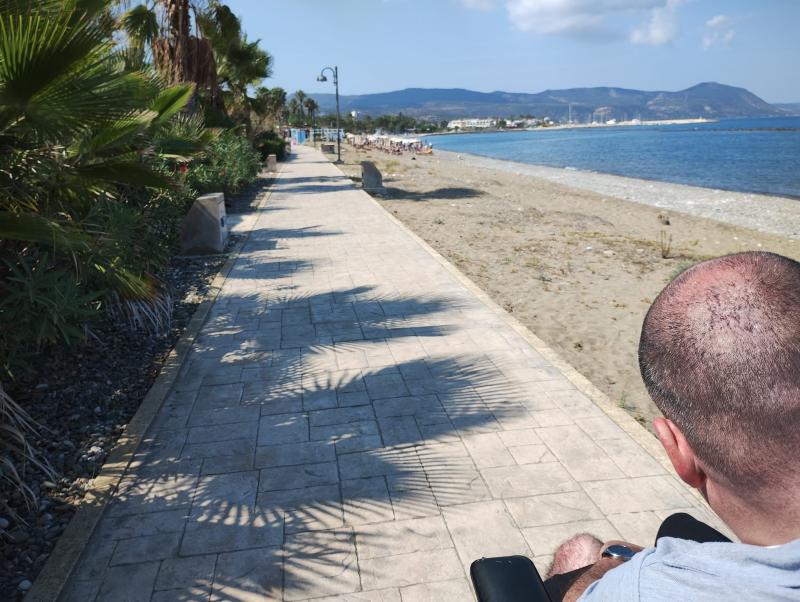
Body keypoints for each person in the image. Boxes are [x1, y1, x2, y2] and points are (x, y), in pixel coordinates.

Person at [545, 251, 800, 601]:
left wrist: (613, 566)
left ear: (680, 454)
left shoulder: (641, 589)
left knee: (581, 549)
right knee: (675, 527)